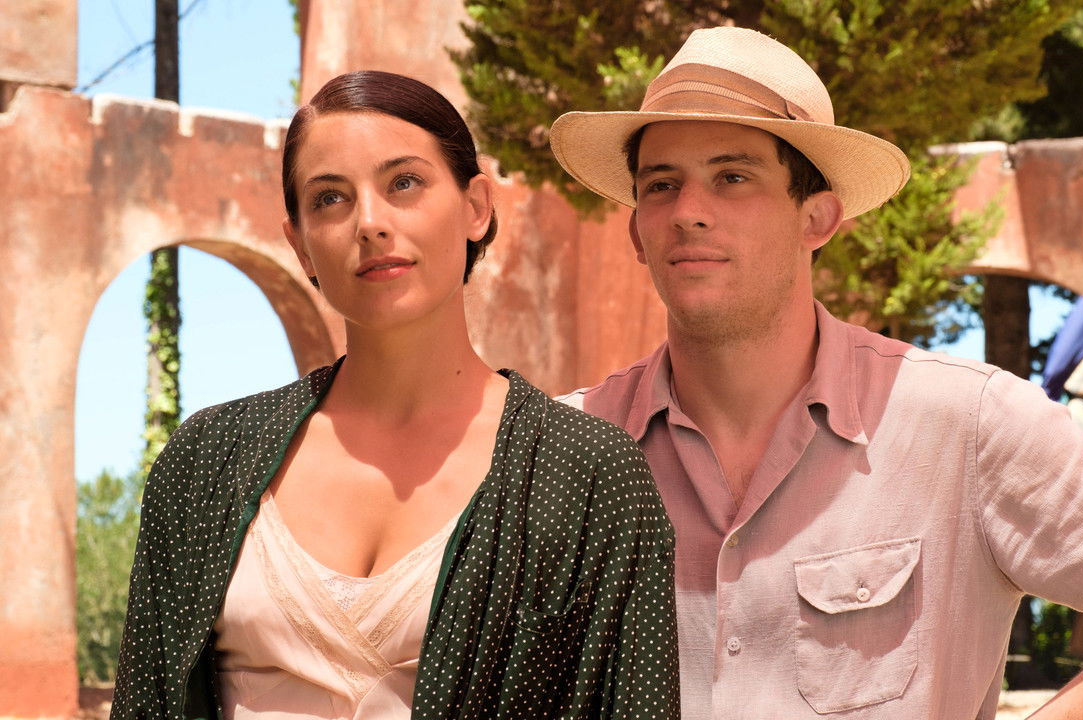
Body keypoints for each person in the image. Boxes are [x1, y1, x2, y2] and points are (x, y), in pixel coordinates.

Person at [550, 26, 1083, 719]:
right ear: (636, 231)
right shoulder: (563, 453)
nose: (689, 212)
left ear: (818, 219)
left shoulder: (962, 424)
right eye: (660, 185)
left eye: (732, 177)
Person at [110, 70, 679, 719]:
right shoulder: (206, 462)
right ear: (300, 245)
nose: (370, 223)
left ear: (476, 207)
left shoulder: (587, 474)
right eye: (330, 198)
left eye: (404, 183)